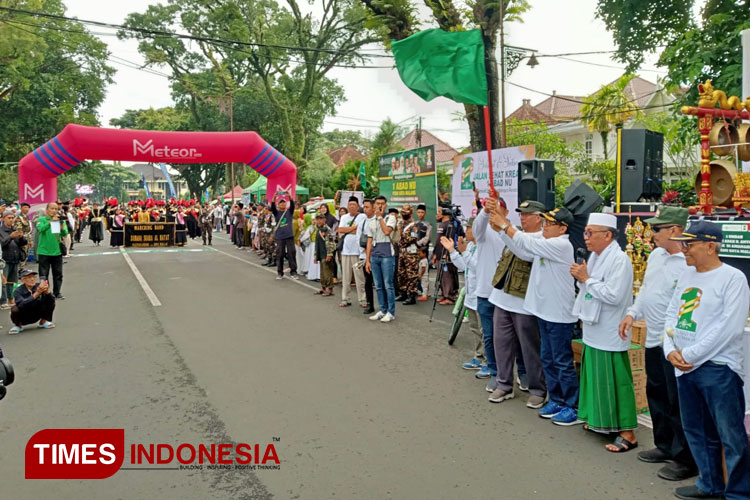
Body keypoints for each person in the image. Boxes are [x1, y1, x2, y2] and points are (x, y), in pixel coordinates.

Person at [663, 221, 750, 500]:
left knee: (731, 436)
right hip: (684, 367)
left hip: (718, 368)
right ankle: (709, 484)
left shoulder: (733, 278)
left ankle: (738, 493)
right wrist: (669, 350)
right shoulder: (686, 276)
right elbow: (671, 316)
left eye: (690, 244)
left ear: (710, 246)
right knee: (697, 431)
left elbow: (729, 328)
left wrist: (689, 355)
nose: (684, 250)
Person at [618, 207, 697, 481]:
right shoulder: (655, 256)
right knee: (657, 394)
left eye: (657, 229)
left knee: (678, 402)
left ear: (675, 230)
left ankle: (685, 458)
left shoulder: (689, 262)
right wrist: (632, 313)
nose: (651, 234)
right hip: (653, 339)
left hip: (675, 343)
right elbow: (646, 292)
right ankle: (664, 445)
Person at [496, 207, 581, 423]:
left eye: (550, 224)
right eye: (545, 222)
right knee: (548, 358)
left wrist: (506, 225)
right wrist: (503, 229)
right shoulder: (546, 243)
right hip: (544, 311)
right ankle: (557, 399)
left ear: (563, 228)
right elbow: (523, 249)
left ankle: (573, 405)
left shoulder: (561, 245)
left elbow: (528, 243)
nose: (545, 226)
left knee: (562, 361)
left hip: (559, 314)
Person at [571, 212, 637, 451]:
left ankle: (627, 432)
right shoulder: (597, 256)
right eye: (585, 233)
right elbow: (590, 287)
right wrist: (582, 279)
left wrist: (586, 279)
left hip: (611, 327)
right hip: (593, 324)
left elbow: (614, 295)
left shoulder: (620, 260)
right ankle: (599, 420)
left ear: (607, 235)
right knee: (594, 375)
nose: (585, 238)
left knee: (615, 378)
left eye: (590, 233)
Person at [487, 200, 547, 409]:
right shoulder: (516, 233)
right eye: (521, 213)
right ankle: (504, 384)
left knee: (530, 348)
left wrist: (504, 229)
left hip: (524, 303)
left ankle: (537, 389)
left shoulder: (542, 238)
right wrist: (500, 224)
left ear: (539, 217)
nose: (523, 217)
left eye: (527, 214)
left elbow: (525, 253)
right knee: (501, 345)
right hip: (502, 298)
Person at [469, 193, 507, 381]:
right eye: (490, 210)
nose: (493, 213)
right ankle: (494, 370)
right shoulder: (483, 234)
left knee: (510, 337)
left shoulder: (512, 231)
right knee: (489, 336)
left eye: (496, 209)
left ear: (505, 212)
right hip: (486, 293)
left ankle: (518, 372)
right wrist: (485, 210)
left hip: (507, 295)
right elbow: (477, 227)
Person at [440, 218, 486, 370]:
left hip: (482, 295)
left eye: (469, 228)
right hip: (471, 295)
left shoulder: (484, 247)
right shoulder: (471, 245)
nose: (465, 231)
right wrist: (453, 251)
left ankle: (489, 363)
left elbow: (477, 268)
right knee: (474, 329)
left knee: (485, 331)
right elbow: (463, 266)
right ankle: (479, 357)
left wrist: (464, 251)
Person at [365, 195, 397, 323]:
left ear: (386, 205)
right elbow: (369, 240)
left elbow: (386, 232)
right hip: (375, 254)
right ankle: (382, 309)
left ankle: (391, 311)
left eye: (382, 204)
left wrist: (379, 217)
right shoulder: (371, 222)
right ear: (374, 205)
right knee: (378, 285)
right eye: (377, 203)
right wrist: (367, 260)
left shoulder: (391, 218)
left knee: (388, 284)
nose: (380, 206)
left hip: (387, 254)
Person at [336, 196, 366, 307]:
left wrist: (348, 230)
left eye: (354, 205)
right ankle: (345, 298)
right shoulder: (344, 217)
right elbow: (340, 230)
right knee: (346, 277)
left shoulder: (362, 217)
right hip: (345, 251)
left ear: (358, 206)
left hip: (358, 252)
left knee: (359, 276)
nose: (352, 207)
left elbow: (361, 231)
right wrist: (353, 229)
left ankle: (362, 299)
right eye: (350, 205)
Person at [35, 202, 68, 300]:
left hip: (56, 252)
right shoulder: (41, 220)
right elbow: (40, 229)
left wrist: (62, 226)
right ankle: (45, 292)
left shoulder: (59, 220)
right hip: (44, 252)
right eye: (52, 209)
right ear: (47, 210)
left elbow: (65, 233)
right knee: (44, 274)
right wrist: (50, 222)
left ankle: (57, 292)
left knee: (58, 274)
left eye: (56, 209)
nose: (54, 211)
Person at [8, 268, 55, 334]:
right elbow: (21, 304)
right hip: (24, 315)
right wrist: (36, 294)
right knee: (14, 309)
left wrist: (47, 292)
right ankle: (18, 325)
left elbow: (51, 300)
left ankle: (43, 321)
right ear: (23, 280)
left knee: (51, 302)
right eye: (29, 277)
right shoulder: (18, 291)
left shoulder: (39, 286)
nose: (32, 279)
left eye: (33, 277)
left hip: (37, 313)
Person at [0, 210, 27, 310]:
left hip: (15, 258)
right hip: (4, 259)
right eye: (9, 218)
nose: (11, 220)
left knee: (12, 281)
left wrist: (22, 237)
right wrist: (10, 237)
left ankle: (11, 299)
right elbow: (2, 244)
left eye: (12, 218)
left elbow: (22, 243)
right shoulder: (1, 231)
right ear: (3, 219)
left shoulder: (14, 229)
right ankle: (2, 301)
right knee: (3, 281)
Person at [354, 199, 376, 314]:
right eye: (364, 207)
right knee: (367, 280)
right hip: (364, 255)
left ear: (373, 207)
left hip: (375, 254)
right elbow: (358, 236)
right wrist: (363, 249)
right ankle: (369, 304)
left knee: (379, 282)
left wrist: (370, 250)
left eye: (367, 207)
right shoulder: (362, 221)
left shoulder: (377, 220)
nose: (365, 209)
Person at [396, 205, 421, 305]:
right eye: (402, 212)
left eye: (405, 212)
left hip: (411, 253)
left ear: (410, 212)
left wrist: (401, 233)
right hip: (402, 252)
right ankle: (403, 293)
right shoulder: (401, 223)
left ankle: (411, 295)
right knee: (401, 273)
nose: (403, 214)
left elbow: (412, 238)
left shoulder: (414, 225)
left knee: (411, 275)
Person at [270, 192, 298, 280]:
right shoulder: (276, 213)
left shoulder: (289, 212)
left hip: (289, 236)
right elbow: (272, 206)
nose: (282, 204)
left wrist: (289, 196)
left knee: (291, 253)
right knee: (280, 254)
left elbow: (292, 204)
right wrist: (274, 196)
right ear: (278, 205)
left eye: (284, 202)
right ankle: (280, 272)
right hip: (279, 237)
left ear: (286, 204)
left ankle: (293, 272)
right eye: (280, 202)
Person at [312, 213, 336, 296]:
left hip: (326, 253)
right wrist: (315, 256)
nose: (319, 221)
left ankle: (330, 289)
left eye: (321, 219)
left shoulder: (327, 229)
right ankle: (323, 288)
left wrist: (329, 254)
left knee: (327, 272)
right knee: (322, 273)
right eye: (317, 219)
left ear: (324, 219)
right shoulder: (318, 229)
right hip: (320, 253)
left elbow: (330, 243)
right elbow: (316, 244)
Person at [14, 202, 32, 267]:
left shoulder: (26, 217)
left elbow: (29, 230)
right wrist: (21, 242)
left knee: (25, 256)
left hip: (27, 239)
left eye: (28, 208)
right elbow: (19, 230)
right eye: (25, 207)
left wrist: (30, 241)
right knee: (22, 257)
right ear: (21, 208)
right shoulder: (19, 218)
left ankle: (22, 271)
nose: (27, 209)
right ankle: (20, 272)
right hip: (22, 239)